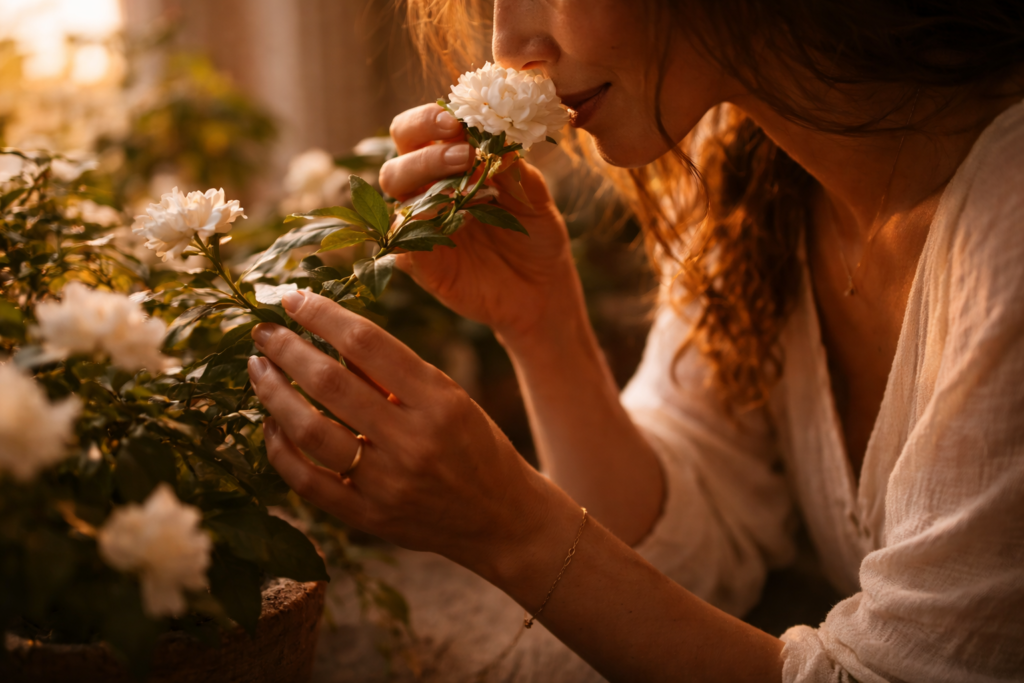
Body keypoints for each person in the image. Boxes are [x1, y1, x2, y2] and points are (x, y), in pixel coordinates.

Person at [245, 1, 1024, 680]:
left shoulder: (1009, 218)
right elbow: (677, 565)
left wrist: (509, 526)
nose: (508, 48)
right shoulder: (748, 168)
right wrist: (542, 327)